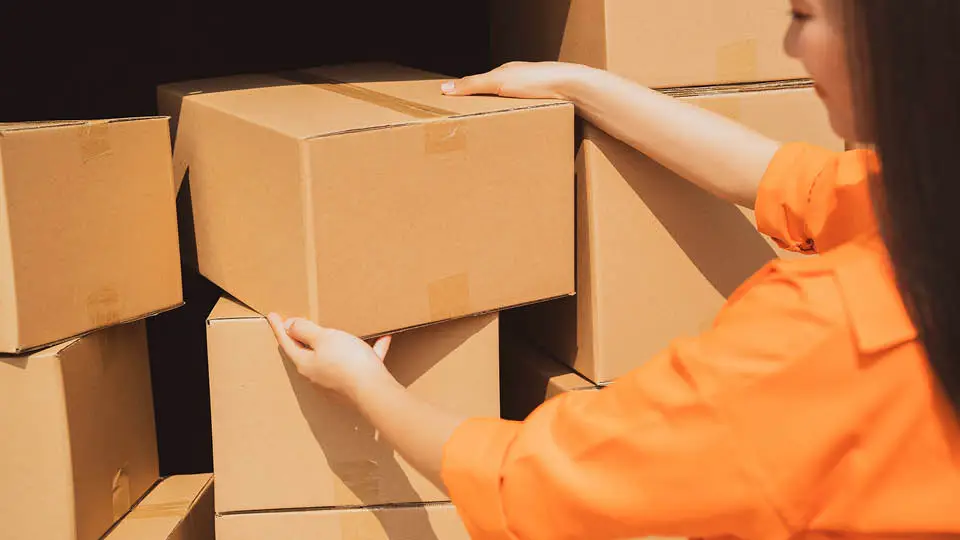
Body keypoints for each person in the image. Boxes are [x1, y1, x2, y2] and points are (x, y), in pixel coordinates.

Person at [268, 1, 960, 538]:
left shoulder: (817, 337)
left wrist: (362, 383)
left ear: (894, 40)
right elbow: (784, 179)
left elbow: (528, 483)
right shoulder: (924, 216)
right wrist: (579, 84)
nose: (787, 44)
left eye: (804, 16)